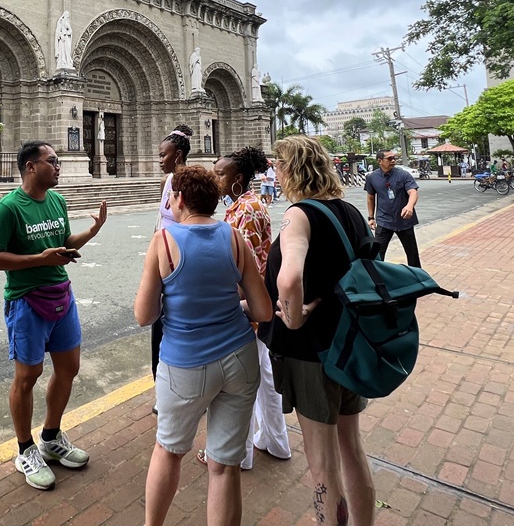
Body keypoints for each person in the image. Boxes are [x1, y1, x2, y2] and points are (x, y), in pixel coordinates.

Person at [135, 166, 273, 526]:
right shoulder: (232, 237)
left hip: (185, 364)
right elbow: (262, 310)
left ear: (178, 199)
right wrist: (231, 305)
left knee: (168, 451)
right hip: (240, 360)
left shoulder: (163, 241)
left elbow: (144, 315)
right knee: (224, 467)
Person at [260, 135, 376, 526]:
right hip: (350, 347)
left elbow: (290, 276)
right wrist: (320, 300)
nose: (274, 172)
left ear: (292, 169)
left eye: (278, 165)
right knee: (353, 451)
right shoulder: (351, 212)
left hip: (312, 355)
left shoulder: (299, 215)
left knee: (323, 467)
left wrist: (293, 316)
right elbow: (357, 276)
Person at [0, 141, 108, 490]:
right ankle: (25, 450)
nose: (59, 166)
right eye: (52, 161)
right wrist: (41, 260)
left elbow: (63, 242)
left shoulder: (57, 201)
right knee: (28, 375)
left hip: (60, 295)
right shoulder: (9, 208)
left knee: (69, 368)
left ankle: (51, 437)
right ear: (30, 166)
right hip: (26, 300)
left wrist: (92, 232)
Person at [212, 146, 291, 471]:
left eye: (220, 174)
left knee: (241, 384)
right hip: (255, 304)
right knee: (262, 376)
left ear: (238, 179)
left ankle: (238, 454)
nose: (215, 179)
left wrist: (233, 306)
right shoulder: (246, 205)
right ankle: (275, 440)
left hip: (246, 306)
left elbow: (240, 265)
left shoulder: (245, 210)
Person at [152, 125, 193, 387]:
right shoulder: (166, 181)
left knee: (178, 318)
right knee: (159, 322)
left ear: (177, 156)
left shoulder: (191, 182)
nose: (159, 161)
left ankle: (183, 381)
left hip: (183, 261)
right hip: (162, 257)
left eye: (163, 155)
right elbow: (160, 220)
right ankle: (162, 382)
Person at [364, 150, 422, 268]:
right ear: (380, 161)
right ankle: (377, 279)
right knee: (377, 255)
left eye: (394, 158)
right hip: (384, 221)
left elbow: (413, 192)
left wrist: (409, 206)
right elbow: (370, 197)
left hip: (404, 221)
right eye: (389, 159)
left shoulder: (403, 175)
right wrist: (371, 217)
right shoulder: (372, 177)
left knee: (412, 255)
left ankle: (418, 277)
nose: (393, 161)